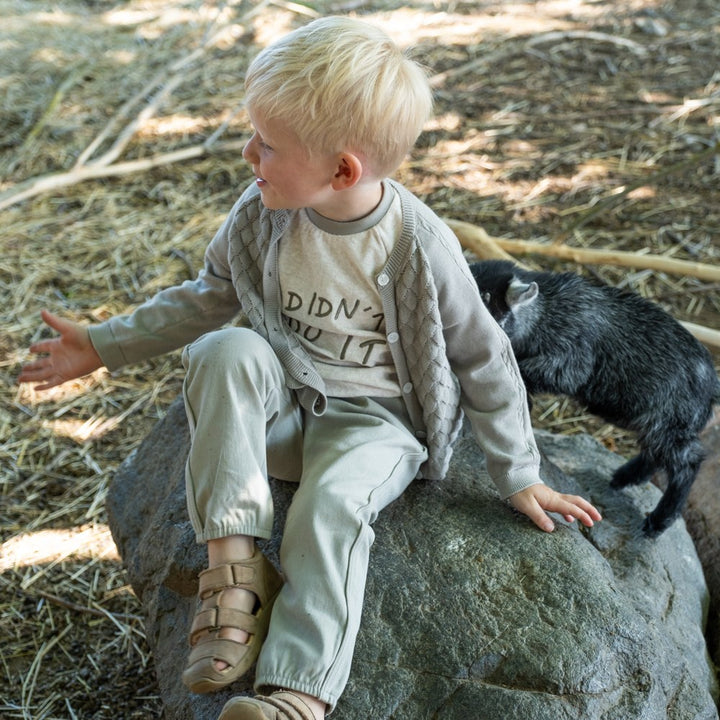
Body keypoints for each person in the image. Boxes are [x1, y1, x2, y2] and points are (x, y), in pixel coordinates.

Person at [19, 16, 602, 720]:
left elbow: (484, 354)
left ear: (342, 170)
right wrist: (102, 344)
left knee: (330, 511)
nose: (248, 154)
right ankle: (235, 575)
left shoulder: (416, 244)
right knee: (222, 350)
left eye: (267, 144)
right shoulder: (261, 214)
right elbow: (207, 297)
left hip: (375, 427)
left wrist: (520, 472)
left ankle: (296, 693)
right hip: (289, 406)